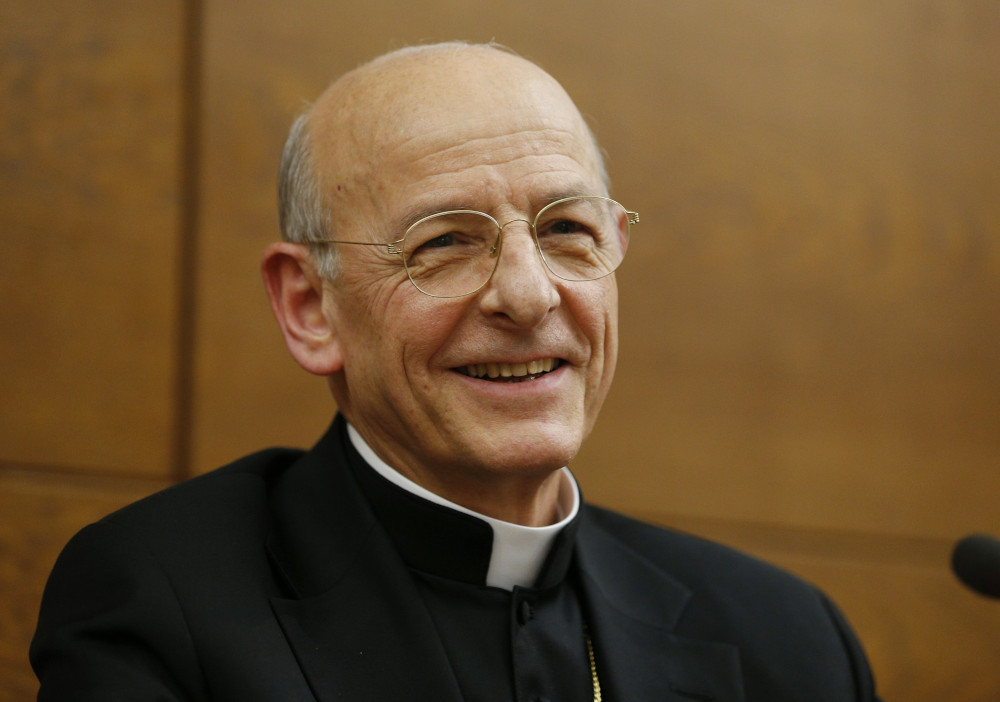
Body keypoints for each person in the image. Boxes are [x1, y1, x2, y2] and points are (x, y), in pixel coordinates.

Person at [31, 42, 880, 701]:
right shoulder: (163, 602)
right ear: (309, 307)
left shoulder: (786, 637)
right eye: (443, 242)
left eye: (566, 230)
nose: (527, 293)